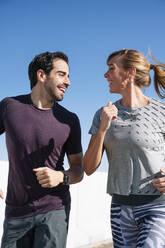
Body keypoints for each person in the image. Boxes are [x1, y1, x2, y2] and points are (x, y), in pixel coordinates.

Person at [0, 51, 84, 248]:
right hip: (16, 211)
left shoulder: (69, 120)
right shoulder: (9, 107)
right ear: (41, 75)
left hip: (54, 209)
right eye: (62, 74)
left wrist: (60, 177)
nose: (68, 82)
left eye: (68, 76)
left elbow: (79, 170)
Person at [83, 49, 165, 247]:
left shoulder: (161, 112)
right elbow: (88, 168)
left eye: (111, 68)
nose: (105, 74)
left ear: (131, 72)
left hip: (157, 206)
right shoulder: (102, 114)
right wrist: (102, 129)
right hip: (120, 209)